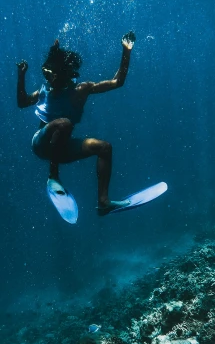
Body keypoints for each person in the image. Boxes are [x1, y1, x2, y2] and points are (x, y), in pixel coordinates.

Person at [17, 31, 135, 215]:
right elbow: (22, 102)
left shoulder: (81, 90)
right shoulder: (44, 90)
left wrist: (126, 51)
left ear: (63, 76)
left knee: (104, 147)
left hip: (62, 148)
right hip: (40, 144)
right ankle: (53, 175)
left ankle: (103, 202)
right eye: (45, 74)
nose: (47, 80)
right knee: (63, 123)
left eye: (51, 75)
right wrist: (21, 75)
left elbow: (117, 82)